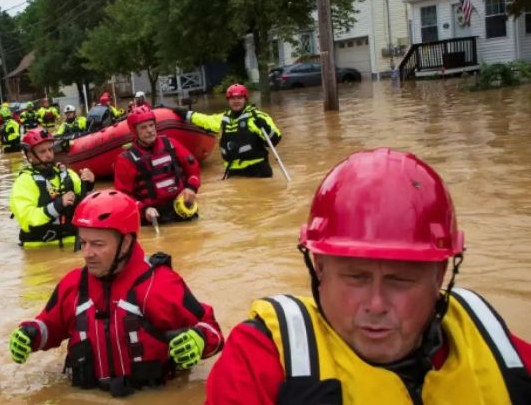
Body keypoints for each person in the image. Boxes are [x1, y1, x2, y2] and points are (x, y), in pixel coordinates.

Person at [205, 148, 531, 405]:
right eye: (355, 278)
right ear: (319, 269)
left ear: (439, 275)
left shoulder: (503, 356)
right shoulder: (261, 360)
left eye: (400, 280)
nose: (376, 305)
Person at [9, 189, 224, 397]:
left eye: (98, 244)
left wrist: (199, 339)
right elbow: (50, 326)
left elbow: (212, 329)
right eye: (83, 243)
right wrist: (32, 334)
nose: (87, 254)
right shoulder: (73, 284)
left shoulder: (161, 284)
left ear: (126, 243)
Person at [170, 84, 281, 179]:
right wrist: (185, 113)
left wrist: (265, 127)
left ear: (245, 99)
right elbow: (205, 120)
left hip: (258, 171)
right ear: (228, 100)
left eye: (239, 98)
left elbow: (275, 139)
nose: (236, 101)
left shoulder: (257, 117)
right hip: (234, 173)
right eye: (232, 98)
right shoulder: (223, 118)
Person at [114, 105, 201, 225]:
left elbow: (193, 168)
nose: (149, 130)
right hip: (152, 215)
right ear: (134, 131)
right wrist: (143, 209)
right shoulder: (126, 159)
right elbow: (123, 196)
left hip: (182, 207)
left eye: (151, 125)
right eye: (143, 127)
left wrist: (191, 188)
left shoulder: (170, 144)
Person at [8, 128, 94, 248]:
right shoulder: (24, 182)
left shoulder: (67, 174)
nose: (49, 155)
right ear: (29, 156)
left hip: (73, 245)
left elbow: (87, 202)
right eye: (42, 152)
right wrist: (57, 205)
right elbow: (27, 219)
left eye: (50, 149)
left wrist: (89, 183)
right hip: (40, 249)